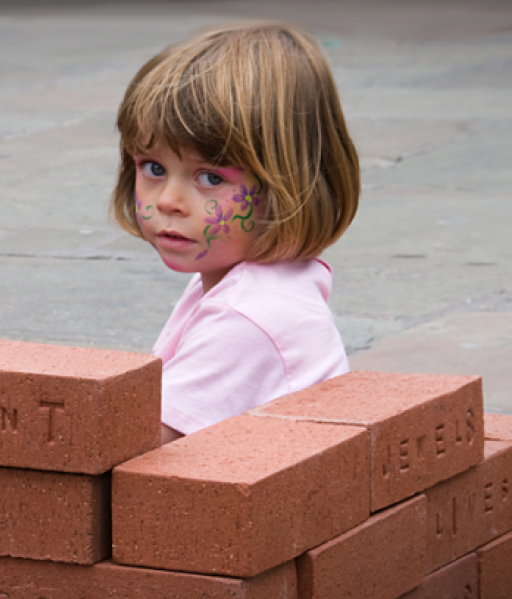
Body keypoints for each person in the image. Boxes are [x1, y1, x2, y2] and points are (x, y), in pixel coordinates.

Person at [110, 23, 359, 445]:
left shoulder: (249, 315)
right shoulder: (253, 281)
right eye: (154, 168)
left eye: (209, 177)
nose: (169, 200)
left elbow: (140, 448)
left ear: (288, 186)